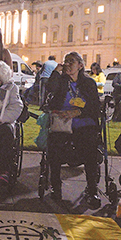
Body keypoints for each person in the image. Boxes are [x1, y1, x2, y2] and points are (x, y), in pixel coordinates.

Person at [44, 52, 101, 207]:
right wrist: (56, 71)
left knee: (90, 145)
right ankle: (56, 186)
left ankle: (92, 188)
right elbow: (50, 88)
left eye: (72, 62)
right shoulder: (61, 81)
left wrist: (76, 112)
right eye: (66, 61)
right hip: (62, 122)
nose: (68, 64)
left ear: (80, 66)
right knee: (54, 146)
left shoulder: (88, 83)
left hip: (83, 121)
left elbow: (95, 106)